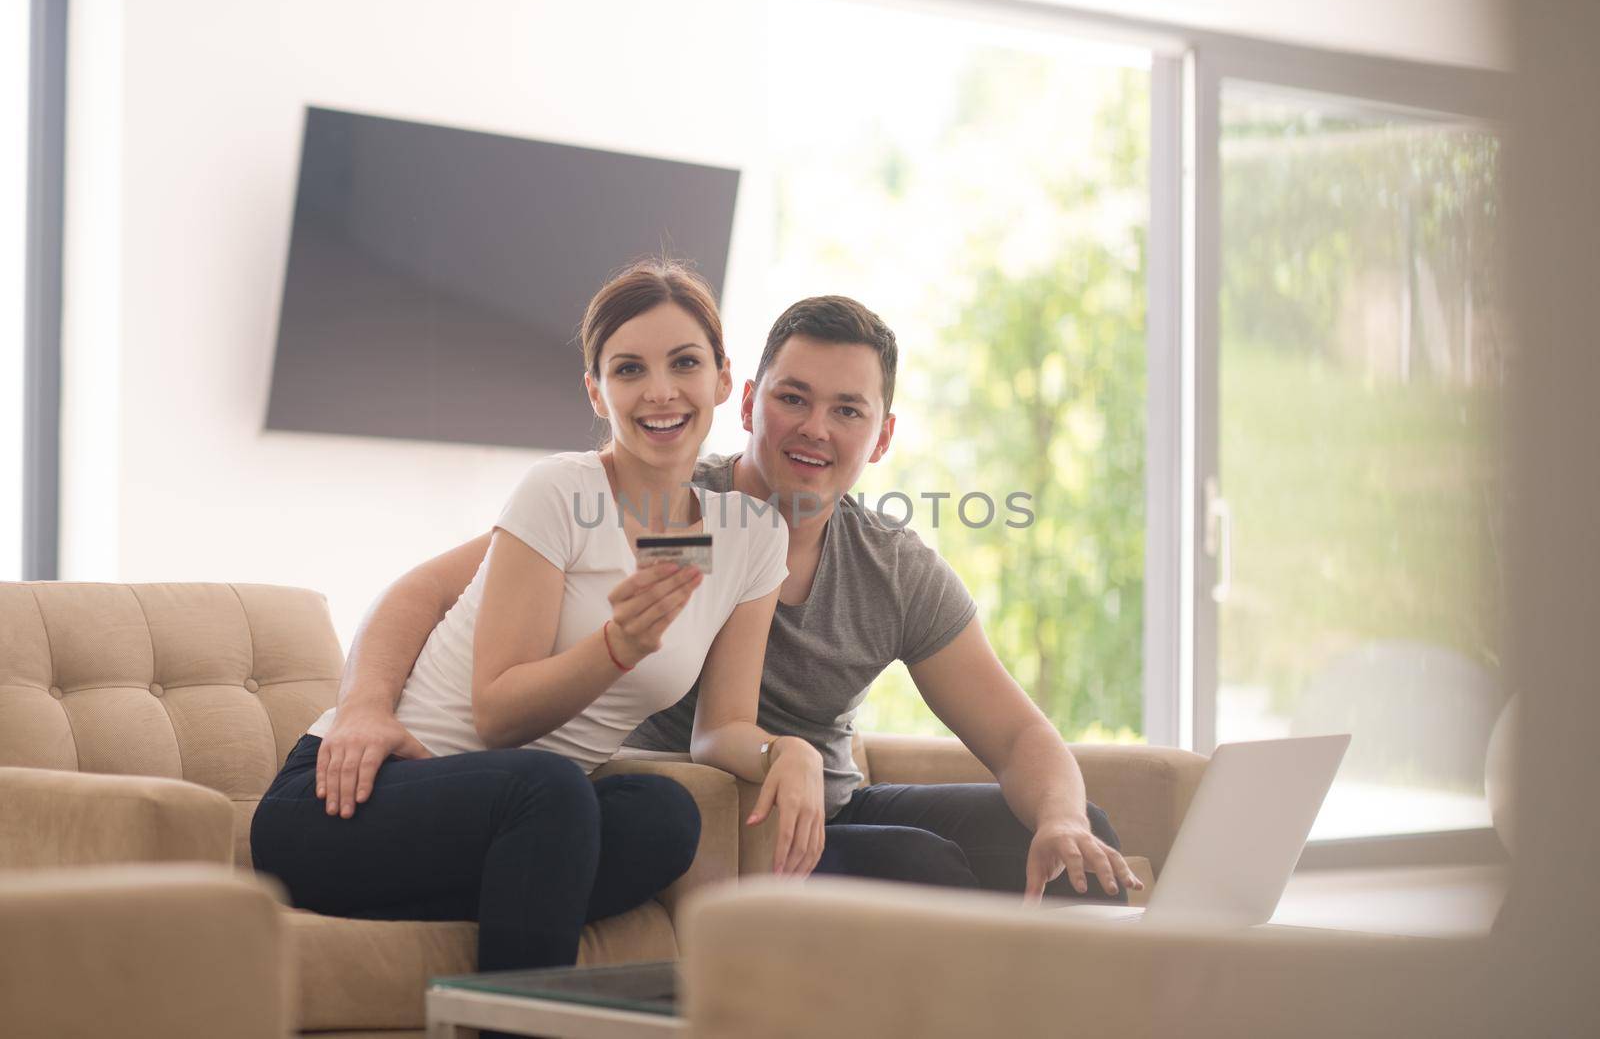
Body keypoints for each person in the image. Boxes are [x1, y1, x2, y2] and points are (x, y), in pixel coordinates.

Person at [312, 294, 1142, 903]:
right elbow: (421, 592)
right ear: (745, 401)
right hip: (706, 809)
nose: (814, 428)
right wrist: (363, 706)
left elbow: (1018, 732)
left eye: (846, 410)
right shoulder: (658, 499)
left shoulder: (893, 567)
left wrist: (1061, 815)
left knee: (1081, 840)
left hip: (831, 801)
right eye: (792, 398)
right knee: (926, 869)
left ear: (881, 436)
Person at [250, 260, 824, 976]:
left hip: (524, 818)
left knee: (663, 816)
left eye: (684, 363)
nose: (661, 391)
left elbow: (725, 725)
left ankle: (517, 896)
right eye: (628, 370)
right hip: (354, 802)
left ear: (720, 379)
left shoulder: (751, 537)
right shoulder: (559, 492)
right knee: (551, 787)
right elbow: (496, 718)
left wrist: (790, 752)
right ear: (596, 390)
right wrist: (617, 647)